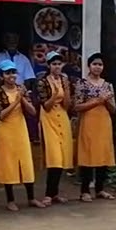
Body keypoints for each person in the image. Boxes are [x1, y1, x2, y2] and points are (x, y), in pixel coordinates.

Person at [0, 60, 42, 211]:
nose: (11, 76)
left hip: (20, 128)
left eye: (13, 72)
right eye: (8, 73)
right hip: (6, 129)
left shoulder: (21, 89)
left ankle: (31, 197)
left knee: (25, 161)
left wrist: (23, 98)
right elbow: (2, 115)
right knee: (8, 163)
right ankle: (10, 199)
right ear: (2, 76)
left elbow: (33, 112)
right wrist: (16, 101)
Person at [75, 52, 116, 202]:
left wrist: (106, 101)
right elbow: (77, 106)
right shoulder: (82, 83)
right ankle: (85, 190)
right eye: (95, 64)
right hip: (89, 121)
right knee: (87, 154)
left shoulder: (108, 85)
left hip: (104, 122)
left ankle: (100, 189)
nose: (97, 67)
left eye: (100, 64)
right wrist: (98, 100)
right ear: (89, 66)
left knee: (103, 154)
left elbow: (113, 109)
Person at [38, 51, 74, 205]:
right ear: (49, 66)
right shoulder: (43, 82)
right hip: (49, 117)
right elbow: (45, 105)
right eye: (54, 64)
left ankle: (55, 193)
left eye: (59, 64)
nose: (57, 67)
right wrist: (54, 93)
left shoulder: (65, 80)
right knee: (54, 157)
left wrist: (65, 89)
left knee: (63, 155)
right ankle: (48, 193)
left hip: (62, 115)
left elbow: (67, 105)